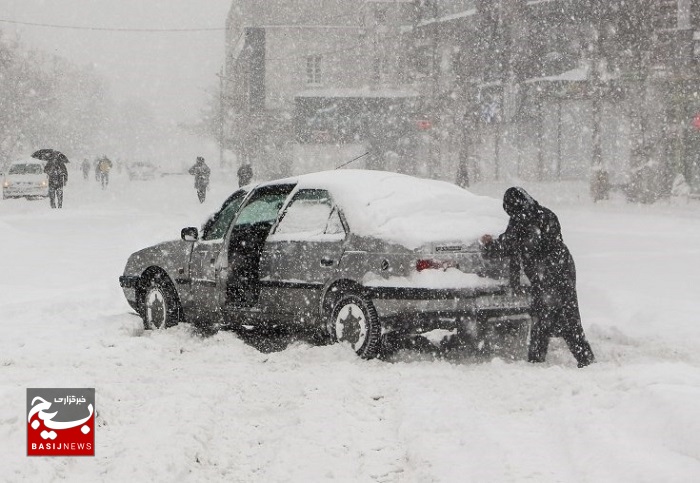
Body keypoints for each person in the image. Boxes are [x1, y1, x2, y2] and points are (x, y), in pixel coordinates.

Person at [480, 187, 595, 368]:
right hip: (564, 266)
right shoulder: (546, 213)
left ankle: (536, 360)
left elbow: (506, 246)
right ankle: (585, 358)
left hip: (545, 272)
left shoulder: (521, 220)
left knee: (542, 316)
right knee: (568, 314)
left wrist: (488, 245)